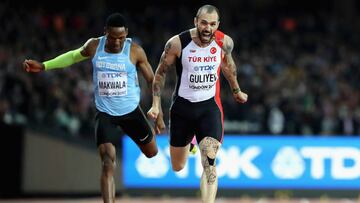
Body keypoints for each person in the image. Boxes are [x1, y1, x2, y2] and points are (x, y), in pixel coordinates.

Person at [23, 13, 165, 203]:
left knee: (152, 153)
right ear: (105, 32)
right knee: (107, 162)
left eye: (121, 38)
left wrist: (158, 108)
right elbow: (73, 57)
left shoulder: (134, 51)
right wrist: (43, 66)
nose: (117, 43)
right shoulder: (94, 46)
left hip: (131, 112)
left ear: (126, 34)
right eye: (113, 38)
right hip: (105, 113)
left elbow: (151, 80)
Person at [147, 5, 248, 203]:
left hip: (209, 107)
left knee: (209, 162)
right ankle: (192, 142)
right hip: (182, 109)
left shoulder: (224, 42)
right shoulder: (177, 43)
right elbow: (160, 73)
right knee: (178, 166)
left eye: (212, 24)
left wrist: (236, 90)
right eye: (203, 23)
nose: (207, 28)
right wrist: (156, 105)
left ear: (217, 25)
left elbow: (228, 66)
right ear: (196, 22)